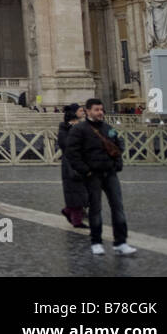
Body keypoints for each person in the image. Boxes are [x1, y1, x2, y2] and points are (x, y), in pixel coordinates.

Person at [64, 98, 135, 255]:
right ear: (88, 111)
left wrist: (117, 164)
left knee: (118, 207)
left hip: (109, 173)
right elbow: (72, 153)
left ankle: (121, 242)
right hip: (92, 175)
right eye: (96, 110)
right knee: (95, 209)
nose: (100, 112)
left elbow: (119, 144)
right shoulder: (79, 129)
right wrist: (86, 171)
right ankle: (96, 241)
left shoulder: (108, 128)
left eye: (101, 109)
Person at [57, 104, 87, 227]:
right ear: (74, 113)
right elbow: (65, 144)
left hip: (82, 161)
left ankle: (71, 211)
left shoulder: (82, 126)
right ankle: (76, 219)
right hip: (70, 163)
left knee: (83, 189)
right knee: (74, 189)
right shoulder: (64, 127)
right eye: (81, 110)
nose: (83, 112)